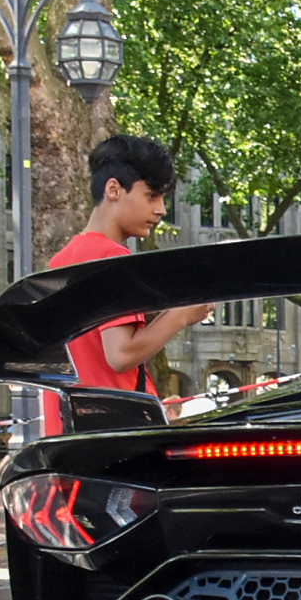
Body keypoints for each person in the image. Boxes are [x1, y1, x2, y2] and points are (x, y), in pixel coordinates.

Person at [39, 134, 211, 433]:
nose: (161, 210)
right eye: (151, 196)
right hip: (116, 430)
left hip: (69, 430)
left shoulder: (61, 260)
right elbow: (121, 355)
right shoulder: (113, 258)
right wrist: (181, 314)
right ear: (114, 189)